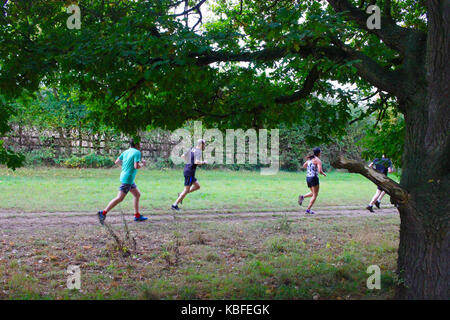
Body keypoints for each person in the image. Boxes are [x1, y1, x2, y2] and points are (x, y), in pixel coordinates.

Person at [97, 138, 148, 224]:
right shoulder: (137, 152)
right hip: (128, 179)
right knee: (119, 198)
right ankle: (103, 213)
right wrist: (143, 164)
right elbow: (136, 166)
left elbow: (117, 162)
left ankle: (137, 215)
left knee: (137, 195)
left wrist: (126, 166)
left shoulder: (126, 151)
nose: (140, 146)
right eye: (139, 144)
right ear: (136, 145)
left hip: (126, 177)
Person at [171, 139, 207, 211]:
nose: (205, 146)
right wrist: (203, 162)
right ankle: (174, 205)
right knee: (186, 190)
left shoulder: (192, 149)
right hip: (190, 172)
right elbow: (196, 162)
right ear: (201, 144)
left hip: (187, 170)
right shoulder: (198, 152)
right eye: (204, 144)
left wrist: (189, 162)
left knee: (197, 186)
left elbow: (183, 156)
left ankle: (181, 194)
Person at [298, 147, 327, 214]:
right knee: (315, 195)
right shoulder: (318, 160)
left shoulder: (310, 159)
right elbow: (320, 171)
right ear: (319, 153)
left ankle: (302, 197)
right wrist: (323, 173)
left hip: (308, 178)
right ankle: (308, 210)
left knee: (313, 193)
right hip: (314, 178)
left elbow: (304, 166)